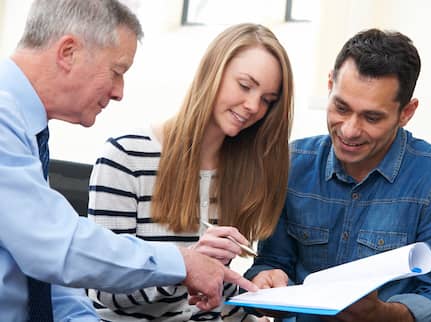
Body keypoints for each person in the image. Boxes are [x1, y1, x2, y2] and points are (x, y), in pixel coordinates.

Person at [0, 1, 256, 321]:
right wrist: (183, 263)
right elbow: (56, 247)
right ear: (68, 52)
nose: (120, 92)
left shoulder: (26, 129)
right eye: (117, 71)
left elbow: (50, 278)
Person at [244, 28, 431, 322]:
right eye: (341, 107)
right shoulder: (291, 164)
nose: (349, 130)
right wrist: (264, 280)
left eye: (372, 117)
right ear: (330, 84)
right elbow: (271, 262)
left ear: (406, 112)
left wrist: (382, 315)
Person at [85, 22, 294, 321]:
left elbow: (212, 297)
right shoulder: (125, 157)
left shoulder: (242, 174)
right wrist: (184, 266)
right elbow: (105, 291)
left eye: (267, 100)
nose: (252, 106)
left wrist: (251, 307)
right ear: (213, 72)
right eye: (245, 86)